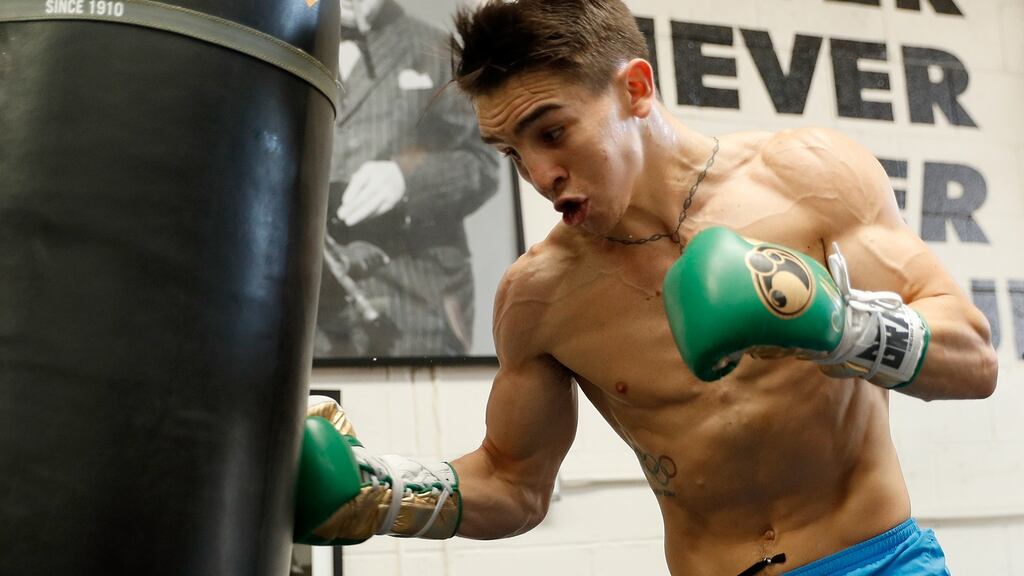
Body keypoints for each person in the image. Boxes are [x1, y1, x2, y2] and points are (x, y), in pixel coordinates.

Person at [295, 1, 999, 574]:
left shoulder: (807, 180)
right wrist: (388, 493)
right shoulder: (540, 297)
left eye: (552, 132)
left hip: (878, 563)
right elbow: (513, 483)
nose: (539, 175)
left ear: (635, 88)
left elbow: (973, 361)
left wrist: (838, 325)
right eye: (513, 153)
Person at [315, 0, 501, 358]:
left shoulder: (437, 51)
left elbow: (483, 162)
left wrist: (404, 181)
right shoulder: (291, 48)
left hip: (416, 301)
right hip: (314, 303)